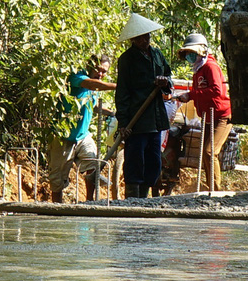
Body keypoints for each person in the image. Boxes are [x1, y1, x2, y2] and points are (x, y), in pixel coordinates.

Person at [114, 13, 174, 198]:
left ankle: (144, 197)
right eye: (139, 38)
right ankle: (132, 198)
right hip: (136, 119)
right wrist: (123, 122)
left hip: (155, 118)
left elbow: (168, 77)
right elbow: (122, 92)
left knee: (154, 161)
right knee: (135, 159)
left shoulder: (157, 55)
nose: (144, 40)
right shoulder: (127, 60)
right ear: (133, 39)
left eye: (146, 36)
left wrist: (165, 82)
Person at [175, 33, 232, 193]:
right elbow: (199, 90)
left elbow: (216, 90)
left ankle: (215, 191)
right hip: (208, 116)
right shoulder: (198, 70)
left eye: (192, 53)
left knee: (209, 151)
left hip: (221, 116)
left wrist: (191, 95)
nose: (189, 56)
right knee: (204, 154)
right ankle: (210, 190)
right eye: (187, 54)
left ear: (201, 51)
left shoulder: (210, 67)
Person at [55, 54, 114, 202]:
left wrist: (111, 113)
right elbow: (93, 85)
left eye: (104, 72)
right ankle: (56, 208)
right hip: (63, 135)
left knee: (93, 163)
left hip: (83, 135)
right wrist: (121, 86)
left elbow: (91, 106)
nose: (100, 74)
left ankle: (89, 202)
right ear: (89, 66)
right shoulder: (77, 77)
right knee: (57, 180)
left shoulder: (93, 85)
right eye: (98, 69)